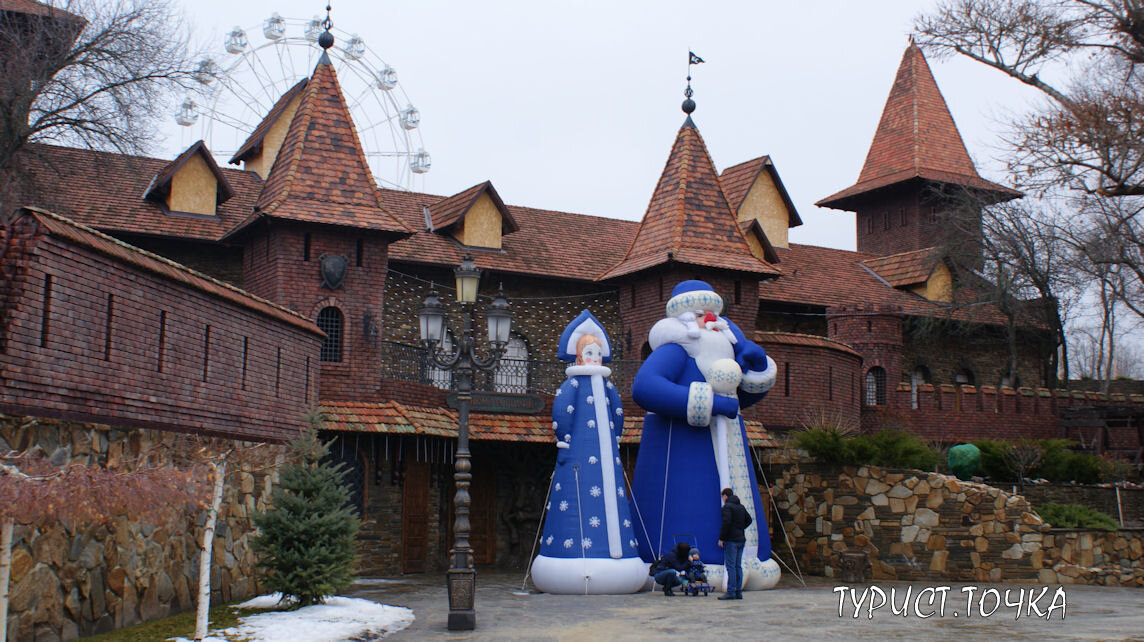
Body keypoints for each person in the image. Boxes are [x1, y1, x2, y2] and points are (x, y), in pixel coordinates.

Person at [630, 280, 781, 591]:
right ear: (684, 321)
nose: (711, 320)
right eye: (702, 314)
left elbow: (740, 399)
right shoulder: (676, 351)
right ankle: (697, 565)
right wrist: (710, 403)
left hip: (729, 441)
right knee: (690, 503)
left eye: (714, 313)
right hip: (683, 447)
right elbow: (646, 387)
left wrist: (756, 365)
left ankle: (751, 558)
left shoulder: (720, 352)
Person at [531, 310, 647, 595]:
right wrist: (564, 440)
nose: (594, 357)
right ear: (579, 357)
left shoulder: (607, 387)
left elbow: (617, 413)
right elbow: (561, 412)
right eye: (589, 352)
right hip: (577, 455)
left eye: (597, 352)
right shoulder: (571, 385)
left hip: (607, 450)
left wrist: (616, 437)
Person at [718, 488, 752, 600]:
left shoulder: (727, 507)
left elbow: (726, 522)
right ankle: (738, 591)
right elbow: (749, 519)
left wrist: (721, 538)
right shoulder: (741, 507)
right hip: (741, 539)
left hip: (731, 540)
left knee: (731, 566)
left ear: (725, 496)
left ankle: (731, 591)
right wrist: (740, 528)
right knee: (738, 566)